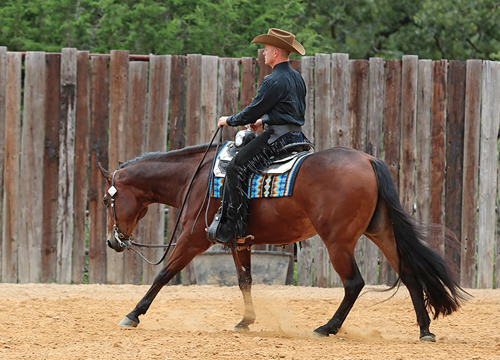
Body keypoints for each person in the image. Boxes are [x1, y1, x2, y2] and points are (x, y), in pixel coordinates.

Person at [207, 28, 308, 245]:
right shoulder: (297, 78)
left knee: (235, 168)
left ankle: (235, 226)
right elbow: (292, 111)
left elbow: (251, 111)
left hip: (276, 139)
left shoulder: (272, 80)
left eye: (266, 49)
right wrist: (263, 122)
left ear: (276, 53)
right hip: (297, 137)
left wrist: (229, 120)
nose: (263, 53)